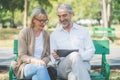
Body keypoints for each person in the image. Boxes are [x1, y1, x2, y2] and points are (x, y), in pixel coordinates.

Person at [50, 4, 95, 80]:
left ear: (71, 14)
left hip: (83, 64)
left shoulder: (83, 31)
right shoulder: (54, 34)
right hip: (63, 67)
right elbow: (52, 56)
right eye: (59, 16)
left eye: (64, 15)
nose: (62, 19)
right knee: (74, 55)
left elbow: (91, 50)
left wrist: (78, 58)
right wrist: (55, 57)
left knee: (73, 76)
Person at [12, 7, 51, 80]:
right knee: (40, 68)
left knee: (36, 77)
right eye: (41, 20)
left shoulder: (46, 35)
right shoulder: (24, 33)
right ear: (33, 20)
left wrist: (43, 62)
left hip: (42, 67)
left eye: (45, 20)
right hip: (26, 66)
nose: (44, 23)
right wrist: (35, 61)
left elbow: (48, 55)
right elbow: (22, 55)